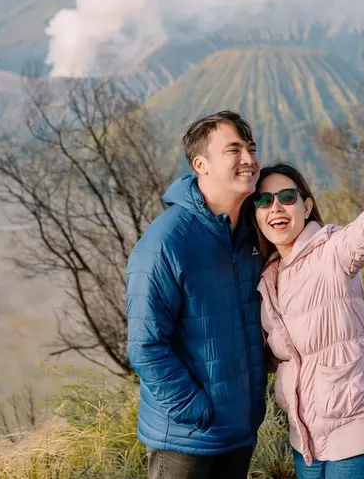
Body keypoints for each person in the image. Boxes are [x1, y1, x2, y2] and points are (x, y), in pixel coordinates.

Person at [252, 145, 364, 479]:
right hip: (307, 441)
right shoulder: (267, 278)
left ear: (307, 205)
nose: (276, 207)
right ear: (255, 214)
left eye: (287, 196)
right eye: (264, 200)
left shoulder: (331, 251)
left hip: (356, 433)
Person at [126, 111, 267, 479]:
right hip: (187, 437)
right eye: (233, 150)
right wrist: (195, 410)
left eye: (251, 149)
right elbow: (145, 346)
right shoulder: (165, 243)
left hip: (240, 429)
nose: (249, 160)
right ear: (200, 164)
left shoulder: (253, 232)